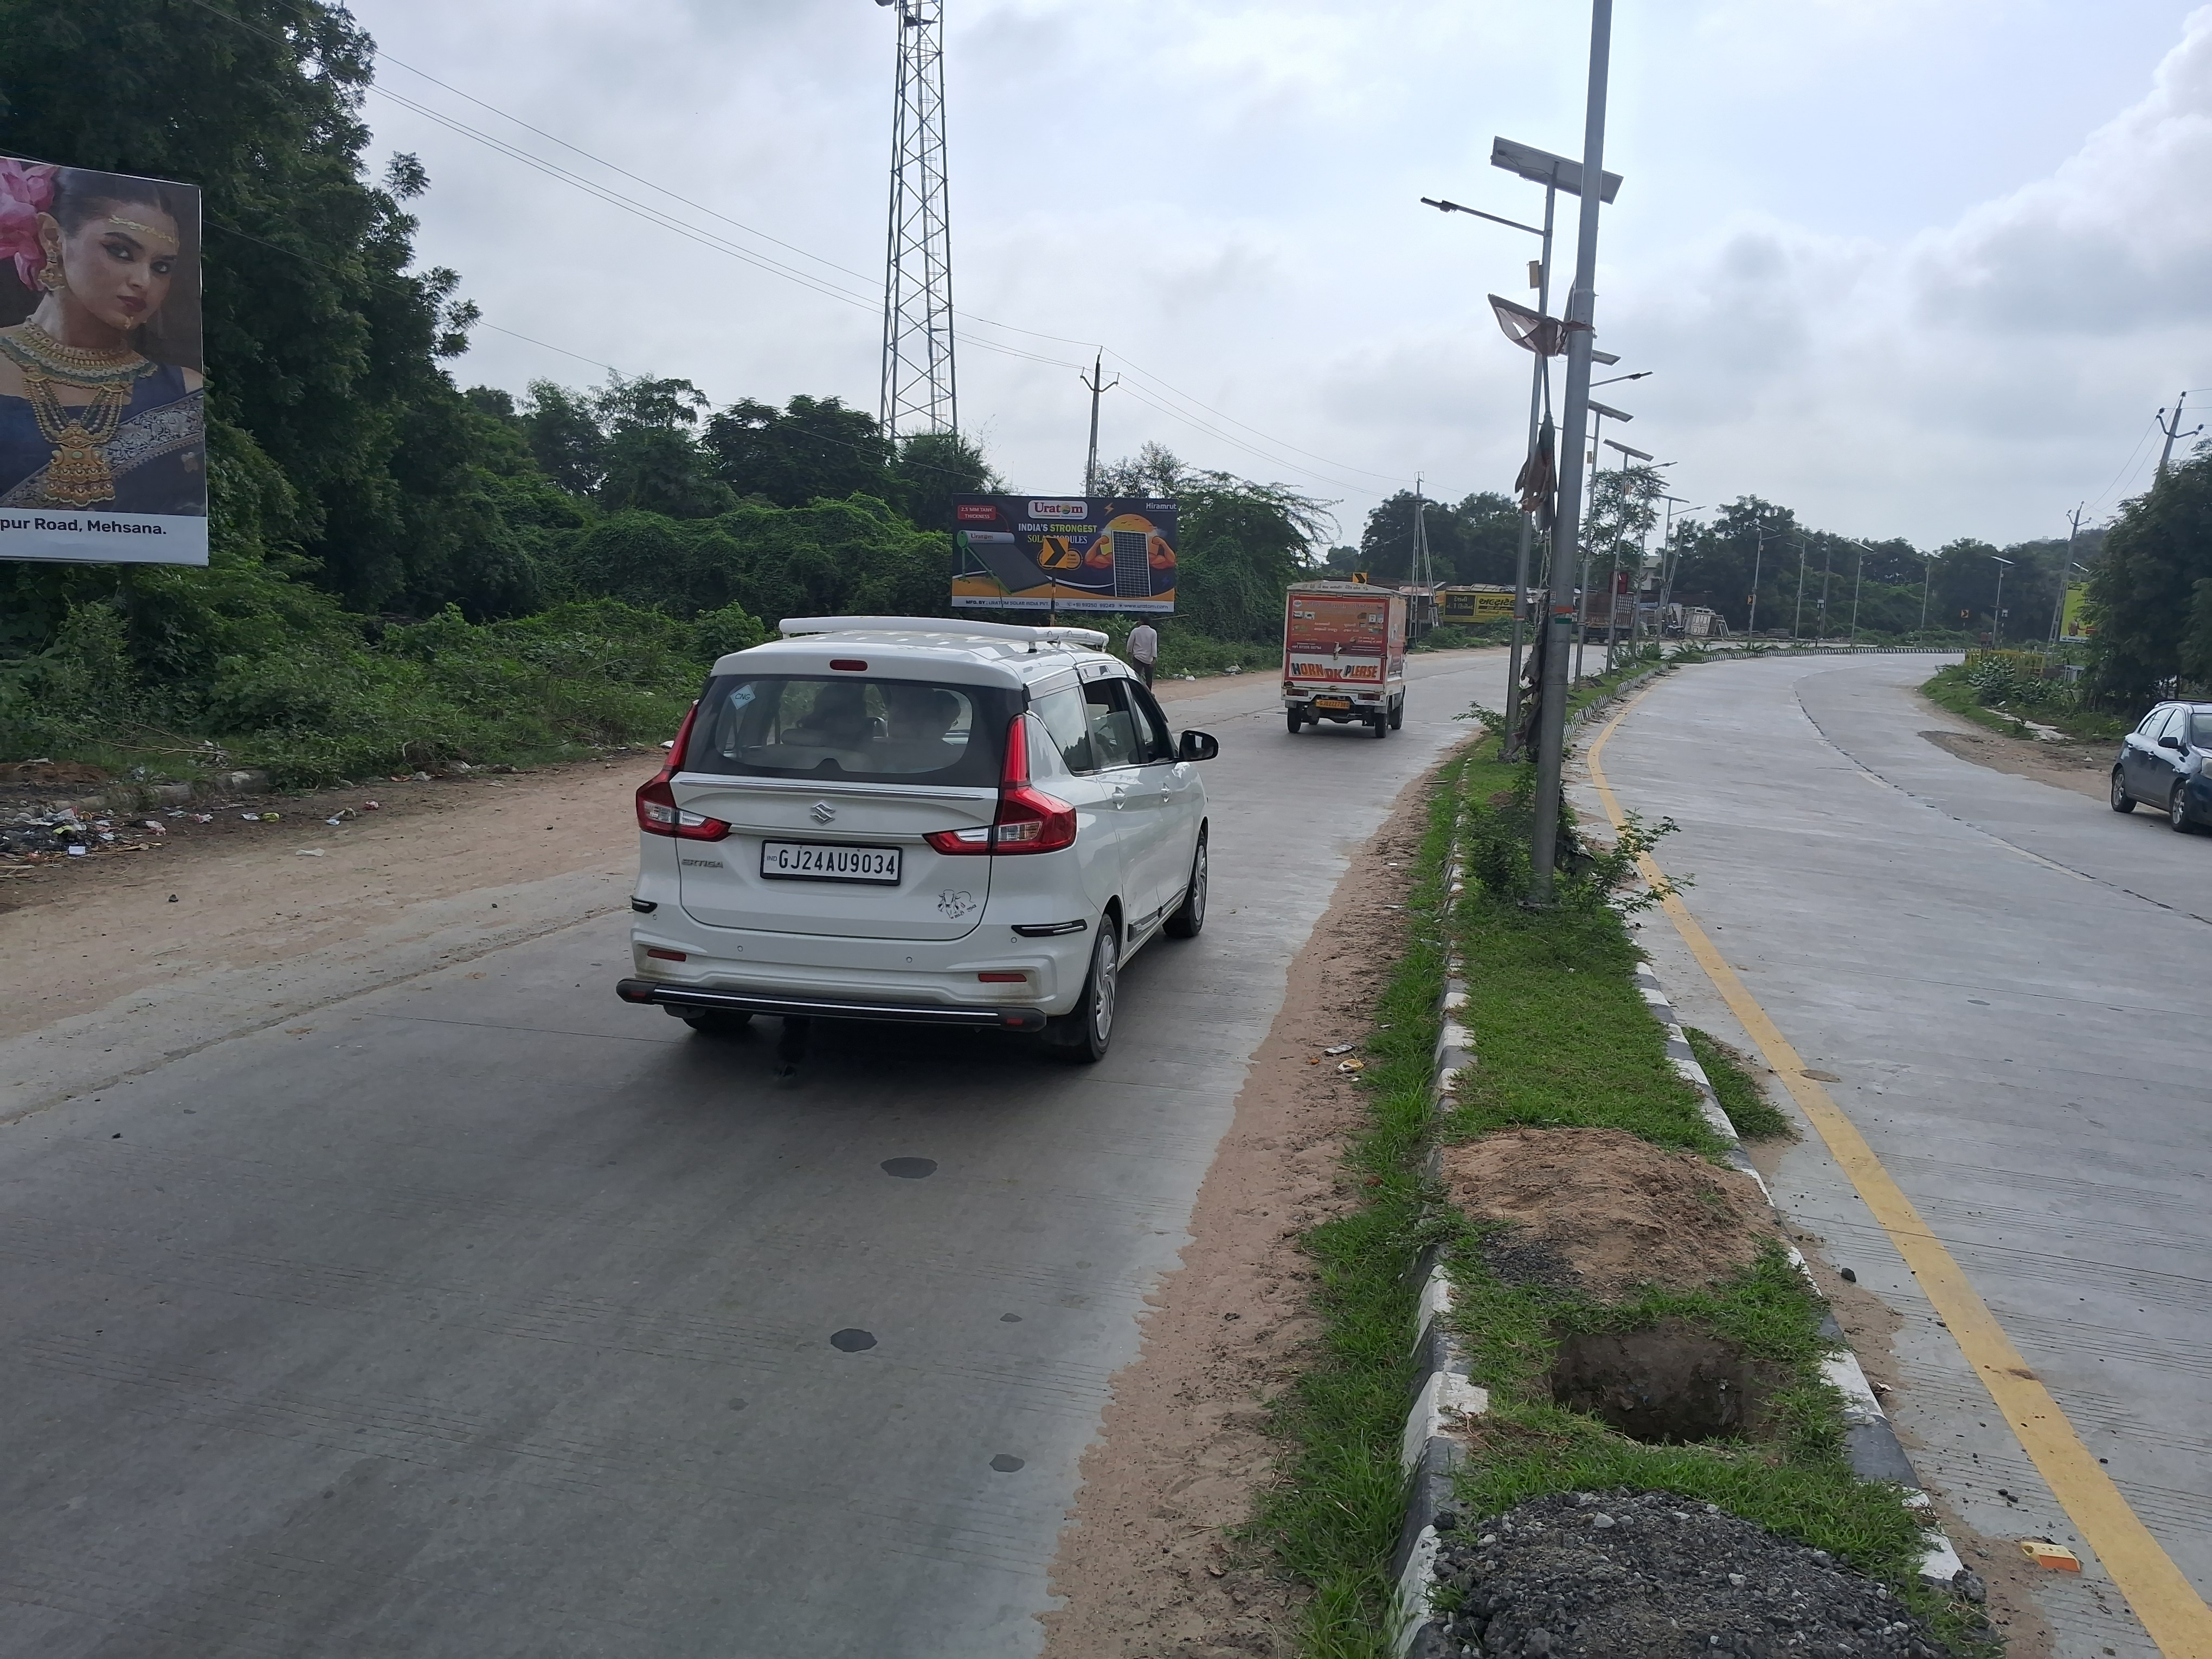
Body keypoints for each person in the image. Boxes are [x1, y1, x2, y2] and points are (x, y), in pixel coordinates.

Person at [0, 162, 204, 515]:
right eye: (121, 251)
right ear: (53, 238)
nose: (144, 281)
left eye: (161, 267)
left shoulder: (185, 392)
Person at [1127, 620, 1159, 687]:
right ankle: (1149, 692)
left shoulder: (1135, 631)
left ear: (1142, 622)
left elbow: (1130, 643)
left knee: (1137, 676)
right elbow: (1154, 646)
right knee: (1149, 677)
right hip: (1149, 658)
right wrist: (1154, 658)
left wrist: (1129, 651)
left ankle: (1137, 690)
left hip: (1137, 657)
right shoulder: (1153, 632)